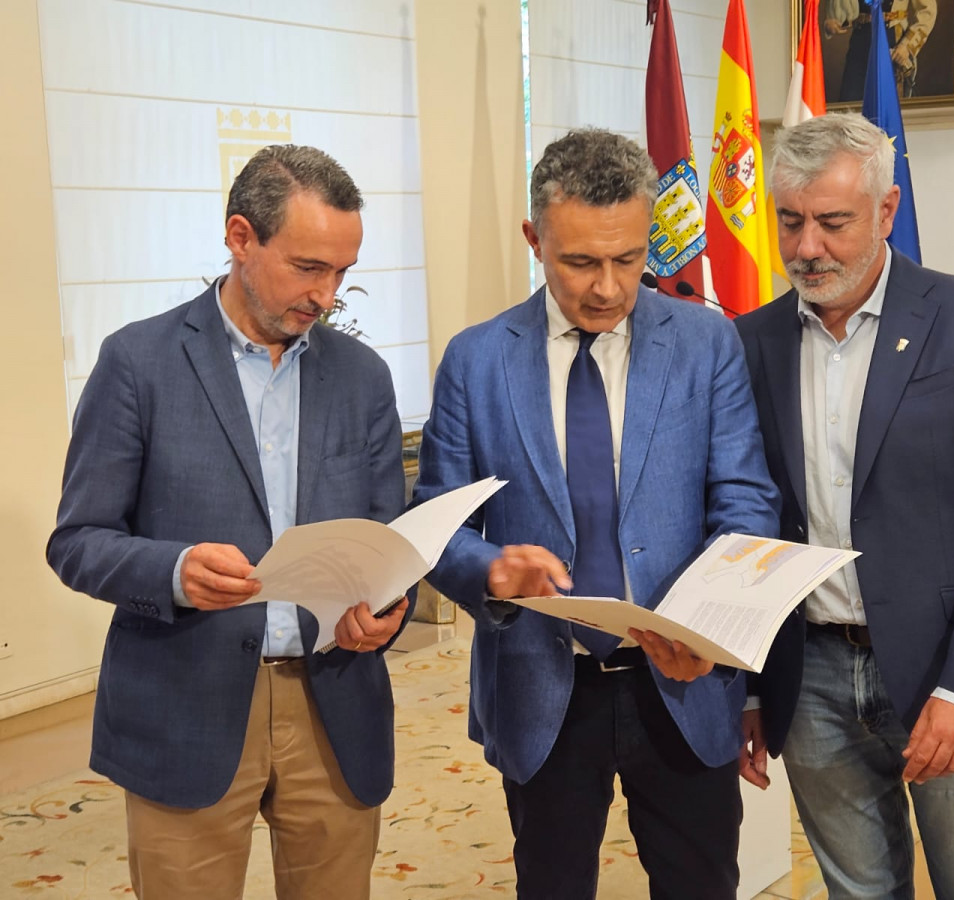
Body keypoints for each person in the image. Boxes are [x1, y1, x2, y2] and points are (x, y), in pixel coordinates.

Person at [412, 128, 780, 899]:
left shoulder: (706, 342)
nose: (608, 287)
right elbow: (434, 523)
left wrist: (708, 628)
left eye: (628, 258)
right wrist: (492, 570)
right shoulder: (477, 360)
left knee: (700, 883)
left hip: (681, 682)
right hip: (543, 685)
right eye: (581, 262)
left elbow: (745, 502)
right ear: (534, 240)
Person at [47, 144, 410, 899]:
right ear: (240, 238)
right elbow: (78, 542)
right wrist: (174, 572)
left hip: (334, 703)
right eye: (309, 267)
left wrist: (385, 611)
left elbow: (389, 541)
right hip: (186, 705)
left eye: (343, 272)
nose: (328, 296)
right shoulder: (138, 363)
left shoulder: (363, 378)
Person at [736, 113, 954, 899]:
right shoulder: (750, 341)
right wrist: (745, 684)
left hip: (944, 667)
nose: (807, 248)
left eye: (833, 223)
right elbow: (748, 519)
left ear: (886, 210)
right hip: (808, 674)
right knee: (859, 891)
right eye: (791, 221)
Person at [824, 0, 937, 100]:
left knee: (886, 107)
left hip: (891, 41)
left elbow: (928, 11)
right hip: (860, 43)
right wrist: (831, 23)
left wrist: (906, 46)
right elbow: (839, 12)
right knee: (850, 104)